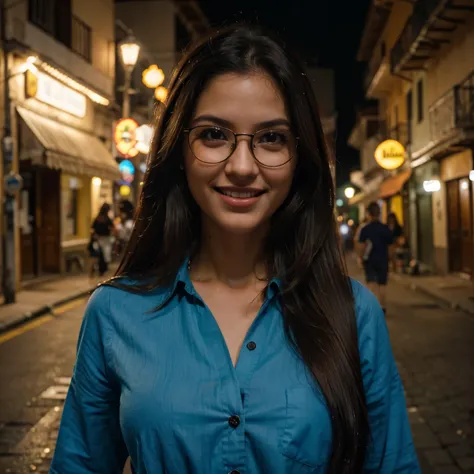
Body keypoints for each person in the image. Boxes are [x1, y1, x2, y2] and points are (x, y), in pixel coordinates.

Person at [50, 26, 419, 474]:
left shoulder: (354, 314)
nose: (242, 167)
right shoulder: (114, 312)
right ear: (178, 150)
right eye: (213, 135)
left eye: (271, 139)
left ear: (300, 157)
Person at [358, 202, 394, 313]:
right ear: (379, 213)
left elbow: (361, 246)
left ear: (368, 214)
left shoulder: (365, 229)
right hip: (383, 260)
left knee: (371, 283)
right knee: (382, 284)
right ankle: (382, 306)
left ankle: (373, 307)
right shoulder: (385, 229)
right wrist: (391, 259)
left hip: (369, 260)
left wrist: (360, 258)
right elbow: (391, 246)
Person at [91, 203, 115, 273]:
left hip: (100, 238)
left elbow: (92, 228)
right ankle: (102, 269)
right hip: (105, 239)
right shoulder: (106, 219)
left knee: (101, 254)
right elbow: (112, 228)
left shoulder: (98, 218)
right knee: (105, 254)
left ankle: (100, 268)